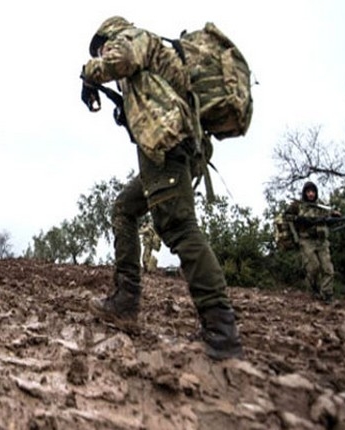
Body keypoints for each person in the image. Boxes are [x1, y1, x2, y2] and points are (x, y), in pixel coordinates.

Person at [81, 16, 243, 360]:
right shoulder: (152, 56)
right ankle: (125, 300)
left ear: (107, 36)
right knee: (124, 209)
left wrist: (88, 72)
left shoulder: (129, 37)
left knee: (179, 227)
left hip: (165, 145)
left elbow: (119, 60)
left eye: (100, 47)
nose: (102, 52)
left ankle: (221, 330)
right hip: (169, 147)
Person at [284, 181, 340, 303]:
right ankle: (313, 290)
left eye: (313, 191)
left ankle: (327, 294)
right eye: (308, 192)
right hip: (306, 240)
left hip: (321, 241)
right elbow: (286, 216)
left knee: (328, 269)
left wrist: (335, 217)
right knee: (313, 267)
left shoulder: (322, 206)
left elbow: (330, 215)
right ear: (305, 193)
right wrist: (301, 219)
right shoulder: (298, 206)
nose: (311, 194)